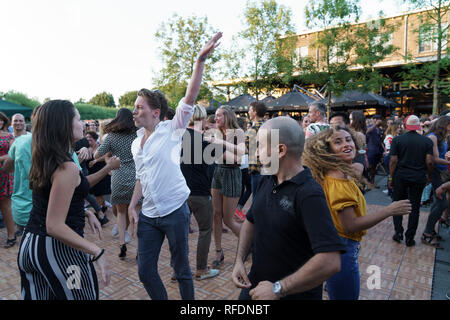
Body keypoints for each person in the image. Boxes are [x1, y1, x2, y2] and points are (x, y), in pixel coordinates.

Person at [127, 32, 222, 300]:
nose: (134, 111)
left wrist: (200, 61)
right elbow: (141, 177)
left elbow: (190, 98)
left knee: (181, 270)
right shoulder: (136, 144)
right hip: (148, 216)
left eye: (139, 107)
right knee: (145, 271)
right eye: (134, 107)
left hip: (174, 212)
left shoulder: (172, 129)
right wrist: (134, 204)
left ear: (155, 112)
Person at [231, 117, 345, 300]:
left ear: (280, 150)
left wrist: (278, 288)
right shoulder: (266, 179)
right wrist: (239, 260)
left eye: (259, 146)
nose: (256, 153)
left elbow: (331, 260)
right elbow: (250, 221)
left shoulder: (309, 194)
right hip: (255, 286)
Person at [18, 100, 120, 300]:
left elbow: (54, 199)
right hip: (61, 253)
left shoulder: (47, 157)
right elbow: (54, 225)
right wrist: (96, 251)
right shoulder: (67, 167)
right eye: (78, 118)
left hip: (30, 247)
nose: (82, 124)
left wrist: (84, 211)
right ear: (64, 124)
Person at [303, 125, 411, 300]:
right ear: (327, 150)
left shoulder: (331, 173)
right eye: (338, 142)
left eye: (348, 139)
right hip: (342, 252)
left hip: (335, 248)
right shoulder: (339, 181)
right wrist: (389, 210)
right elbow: (350, 226)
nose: (347, 144)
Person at [180, 104, 219, 280]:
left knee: (179, 233)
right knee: (205, 229)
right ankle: (201, 269)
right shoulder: (204, 141)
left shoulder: (176, 137)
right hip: (199, 192)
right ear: (201, 119)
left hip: (179, 192)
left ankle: (177, 270)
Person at [95, 108, 138, 259]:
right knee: (136, 213)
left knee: (120, 213)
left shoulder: (111, 137)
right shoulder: (137, 134)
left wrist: (109, 156)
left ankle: (122, 244)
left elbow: (96, 154)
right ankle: (140, 249)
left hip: (118, 177)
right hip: (136, 177)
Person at [208, 105, 245, 268]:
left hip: (232, 173)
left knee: (229, 219)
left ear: (227, 116)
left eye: (218, 116)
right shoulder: (215, 133)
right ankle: (218, 251)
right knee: (216, 214)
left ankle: (248, 244)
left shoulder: (238, 132)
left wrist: (219, 146)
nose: (215, 119)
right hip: (218, 172)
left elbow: (239, 156)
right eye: (215, 116)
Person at [388, 115, 434, 247]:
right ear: (418, 126)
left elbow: (393, 161)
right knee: (414, 208)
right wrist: (429, 176)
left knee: (397, 204)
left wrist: (390, 177)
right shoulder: (426, 141)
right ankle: (410, 237)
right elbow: (430, 162)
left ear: (405, 125)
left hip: (400, 177)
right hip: (419, 177)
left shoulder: (397, 140)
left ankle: (398, 233)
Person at [420, 116, 450, 248]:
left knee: (439, 203)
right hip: (436, 173)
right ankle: (427, 233)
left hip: (441, 173)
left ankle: (430, 230)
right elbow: (435, 159)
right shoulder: (433, 137)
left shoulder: (441, 137)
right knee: (442, 203)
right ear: (445, 125)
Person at [86, 131, 111, 225]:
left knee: (98, 195)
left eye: (90, 137)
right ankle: (103, 208)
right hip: (92, 174)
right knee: (98, 194)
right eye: (86, 138)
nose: (88, 139)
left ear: (94, 138)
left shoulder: (100, 146)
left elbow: (106, 156)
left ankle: (100, 215)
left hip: (101, 172)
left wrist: (95, 160)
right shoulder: (86, 148)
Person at [0, 111, 16, 247]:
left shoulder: (9, 136)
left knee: (6, 207)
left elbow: (13, 153)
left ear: (4, 122)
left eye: (0, 120)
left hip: (4, 173)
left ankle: (11, 235)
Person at [246, 101, 266, 201]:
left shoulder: (253, 129)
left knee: (256, 200)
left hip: (257, 169)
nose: (248, 112)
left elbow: (246, 149)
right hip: (270, 168)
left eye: (250, 110)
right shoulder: (270, 126)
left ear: (255, 112)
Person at [236, 117, 251, 220]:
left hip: (240, 163)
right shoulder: (242, 134)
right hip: (244, 163)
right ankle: (238, 208)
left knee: (241, 188)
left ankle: (236, 209)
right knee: (249, 187)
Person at [366, 115, 384, 185]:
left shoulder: (379, 129)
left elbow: (380, 140)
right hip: (371, 150)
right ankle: (367, 181)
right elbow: (367, 131)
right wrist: (375, 125)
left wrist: (384, 149)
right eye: (376, 119)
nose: (378, 120)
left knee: (374, 167)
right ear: (373, 120)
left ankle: (372, 181)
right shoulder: (369, 127)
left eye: (379, 119)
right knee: (369, 166)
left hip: (378, 150)